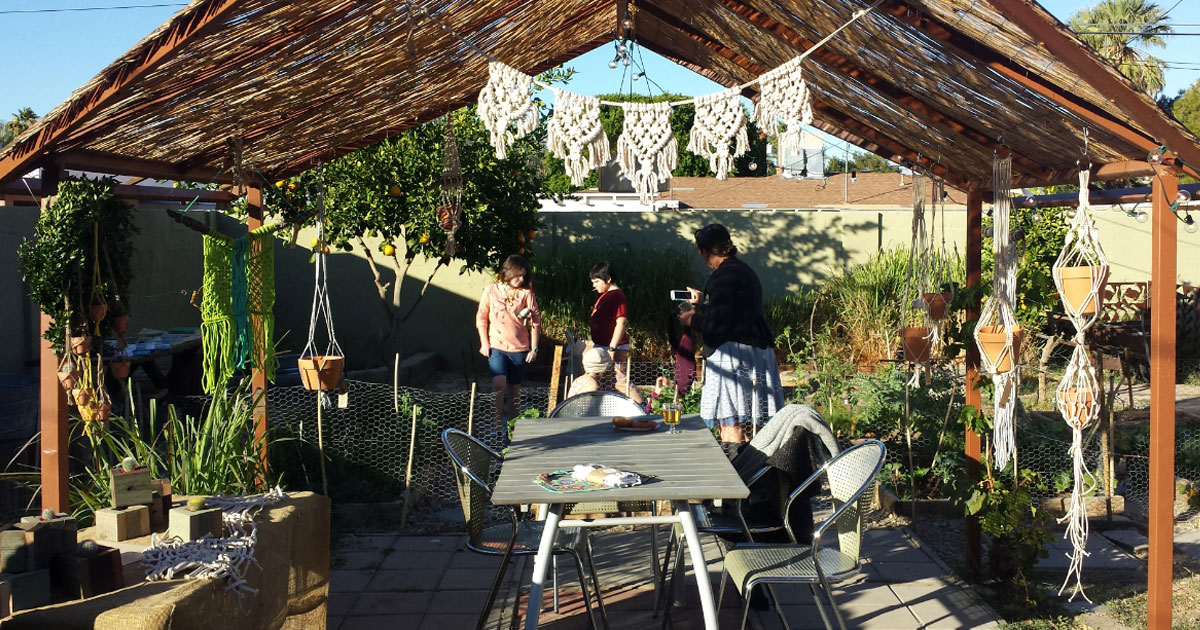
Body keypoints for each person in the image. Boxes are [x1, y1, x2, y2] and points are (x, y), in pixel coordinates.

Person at [678, 224, 783, 446]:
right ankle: (756, 474)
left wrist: (691, 319)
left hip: (732, 358)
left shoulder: (721, 277)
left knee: (730, 423)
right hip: (758, 352)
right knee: (753, 425)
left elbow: (719, 325)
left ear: (704, 251)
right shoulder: (745, 271)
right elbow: (735, 311)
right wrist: (704, 300)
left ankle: (735, 473)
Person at [476, 255, 540, 421]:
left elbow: (536, 322)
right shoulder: (491, 291)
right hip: (497, 346)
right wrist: (484, 343)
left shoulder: (526, 293)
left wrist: (534, 348)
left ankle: (513, 425)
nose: (520, 279)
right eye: (517, 275)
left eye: (523, 276)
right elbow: (481, 317)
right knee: (498, 383)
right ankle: (495, 424)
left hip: (519, 348)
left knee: (515, 389)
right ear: (508, 272)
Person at [588, 261, 630, 381]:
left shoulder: (617, 296)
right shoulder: (606, 295)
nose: (594, 286)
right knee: (605, 382)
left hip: (613, 347)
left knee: (619, 380)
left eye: (597, 282)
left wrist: (612, 348)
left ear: (608, 279)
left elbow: (621, 322)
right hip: (603, 346)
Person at [566, 345, 644, 405]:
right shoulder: (591, 385)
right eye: (611, 367)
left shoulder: (580, 380)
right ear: (605, 370)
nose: (614, 370)